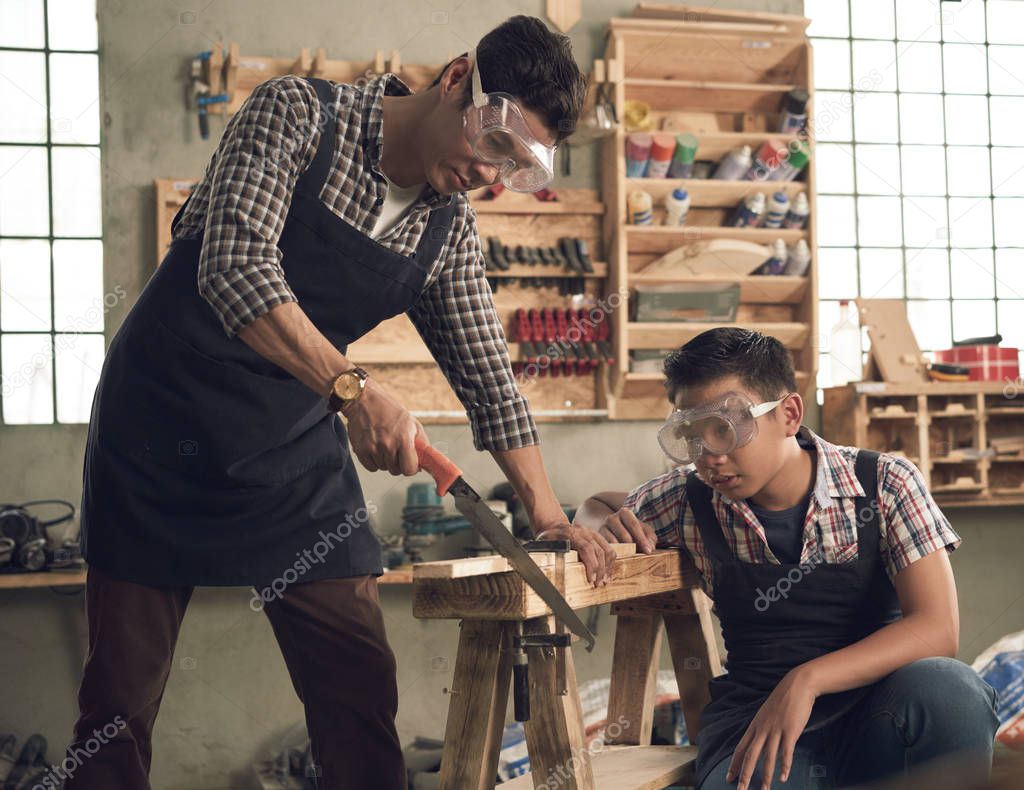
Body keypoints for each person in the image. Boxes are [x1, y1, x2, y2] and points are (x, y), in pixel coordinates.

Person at [67, 16, 617, 790]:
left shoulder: (447, 230)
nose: (493, 175)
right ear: (458, 77)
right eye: (494, 144)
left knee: (358, 692)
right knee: (119, 708)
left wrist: (546, 511)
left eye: (517, 164)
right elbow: (235, 270)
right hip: (159, 429)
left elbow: (491, 379)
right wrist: (354, 392)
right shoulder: (298, 113)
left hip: (291, 448)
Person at [573, 327, 999, 790]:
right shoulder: (686, 499)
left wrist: (808, 679)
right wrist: (597, 530)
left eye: (726, 428)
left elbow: (937, 629)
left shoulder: (884, 483)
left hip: (880, 712)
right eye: (692, 436)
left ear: (789, 414)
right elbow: (597, 503)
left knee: (951, 690)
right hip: (758, 720)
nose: (710, 457)